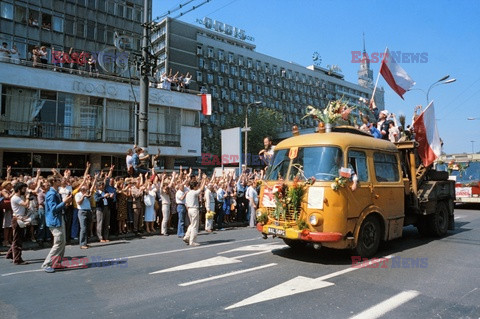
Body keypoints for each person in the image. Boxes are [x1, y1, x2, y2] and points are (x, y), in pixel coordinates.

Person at [42, 176, 73, 273]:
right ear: (54, 181)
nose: (61, 181)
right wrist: (64, 202)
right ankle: (47, 264)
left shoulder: (55, 192)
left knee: (62, 242)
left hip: (59, 219)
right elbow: (54, 209)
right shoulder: (51, 194)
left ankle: (57, 262)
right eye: (59, 180)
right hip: (54, 221)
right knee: (58, 242)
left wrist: (65, 203)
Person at [5, 183, 31, 265]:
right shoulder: (16, 198)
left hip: (20, 219)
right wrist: (27, 197)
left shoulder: (19, 197)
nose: (25, 191)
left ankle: (10, 254)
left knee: (17, 238)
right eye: (24, 189)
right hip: (17, 220)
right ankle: (17, 259)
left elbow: (27, 206)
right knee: (17, 241)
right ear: (19, 189)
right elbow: (26, 204)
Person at [183, 176, 207, 246]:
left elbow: (186, 204)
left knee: (192, 224)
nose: (197, 187)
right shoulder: (194, 193)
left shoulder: (188, 193)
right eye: (197, 186)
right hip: (194, 209)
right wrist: (204, 180)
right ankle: (192, 241)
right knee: (195, 226)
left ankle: (187, 236)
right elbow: (201, 189)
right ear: (194, 186)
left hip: (189, 209)